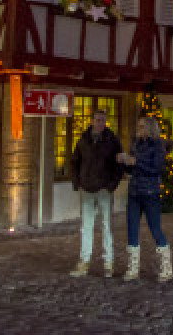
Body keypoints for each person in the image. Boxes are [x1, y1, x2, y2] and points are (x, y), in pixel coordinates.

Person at [68, 109, 123, 278]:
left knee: (107, 226)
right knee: (86, 227)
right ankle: (84, 262)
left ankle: (109, 263)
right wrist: (77, 182)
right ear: (92, 121)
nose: (100, 123)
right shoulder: (83, 140)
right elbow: (74, 162)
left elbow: (119, 165)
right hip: (87, 188)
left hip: (104, 190)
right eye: (98, 120)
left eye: (103, 120)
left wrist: (112, 185)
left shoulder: (112, 141)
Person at [117, 117, 172, 282]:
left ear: (149, 128)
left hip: (150, 192)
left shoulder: (158, 146)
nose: (138, 129)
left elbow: (157, 169)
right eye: (138, 126)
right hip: (134, 192)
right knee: (132, 229)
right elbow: (132, 169)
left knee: (155, 229)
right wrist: (124, 162)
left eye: (141, 126)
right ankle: (133, 268)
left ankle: (167, 268)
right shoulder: (136, 144)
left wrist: (136, 162)